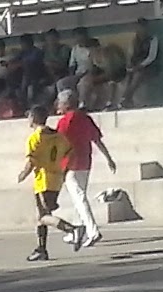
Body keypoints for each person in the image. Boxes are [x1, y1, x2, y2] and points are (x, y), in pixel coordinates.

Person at [51, 88, 118, 250]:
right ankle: (77, 230)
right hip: (85, 162)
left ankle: (92, 230)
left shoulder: (65, 121)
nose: (58, 105)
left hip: (70, 164)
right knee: (78, 198)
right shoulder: (85, 118)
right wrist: (108, 158)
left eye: (60, 103)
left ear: (66, 104)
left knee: (79, 198)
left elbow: (57, 144)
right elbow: (97, 140)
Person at [15, 107, 79, 261]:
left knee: (44, 216)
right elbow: (70, 151)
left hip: (43, 179)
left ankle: (72, 229)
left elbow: (31, 161)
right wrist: (64, 168)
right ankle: (41, 248)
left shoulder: (35, 138)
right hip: (56, 178)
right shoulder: (58, 136)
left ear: (33, 118)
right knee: (41, 216)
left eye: (29, 117)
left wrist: (23, 174)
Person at [122, 18, 162, 108]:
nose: (140, 29)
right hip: (136, 66)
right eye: (138, 27)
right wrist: (130, 66)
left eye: (142, 27)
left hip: (150, 67)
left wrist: (140, 66)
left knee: (138, 75)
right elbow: (131, 54)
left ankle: (127, 97)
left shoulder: (153, 39)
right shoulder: (134, 40)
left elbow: (151, 57)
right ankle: (128, 100)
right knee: (128, 76)